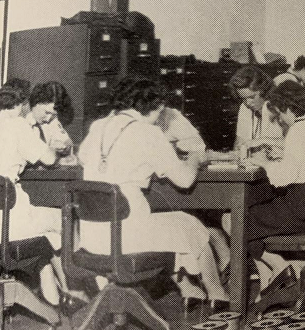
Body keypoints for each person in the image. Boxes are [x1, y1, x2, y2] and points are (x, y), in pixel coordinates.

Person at [77, 78, 229, 311]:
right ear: (156, 107)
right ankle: (217, 293)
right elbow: (185, 180)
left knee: (170, 225)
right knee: (190, 223)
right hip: (127, 234)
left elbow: (83, 158)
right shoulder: (148, 132)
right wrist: (195, 159)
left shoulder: (99, 126)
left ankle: (189, 290)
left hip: (93, 236)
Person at [221, 81, 305, 292]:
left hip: (303, 210)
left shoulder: (299, 129)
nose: (280, 119)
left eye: (279, 113)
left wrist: (262, 163)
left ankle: (280, 266)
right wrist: (280, 153)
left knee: (232, 218)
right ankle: (271, 277)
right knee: (260, 208)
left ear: (286, 107)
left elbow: (285, 177)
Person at [0, 87, 87, 308]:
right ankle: (79, 288)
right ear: (22, 105)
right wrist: (53, 151)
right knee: (65, 221)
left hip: (6, 217)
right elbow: (48, 159)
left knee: (47, 231)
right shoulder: (17, 124)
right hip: (9, 220)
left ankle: (57, 298)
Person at [228, 66, 284, 157]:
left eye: (252, 97)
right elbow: (240, 142)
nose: (248, 103)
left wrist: (264, 140)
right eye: (243, 99)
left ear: (264, 91)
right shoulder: (244, 107)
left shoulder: (279, 107)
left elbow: (296, 144)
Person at [26, 82, 74, 156]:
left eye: (54, 115)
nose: (48, 119)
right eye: (46, 112)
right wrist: (49, 149)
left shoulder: (52, 120)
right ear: (36, 103)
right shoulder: (20, 120)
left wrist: (63, 148)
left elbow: (68, 143)